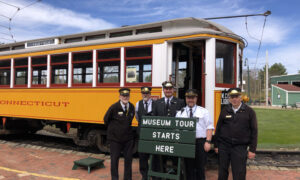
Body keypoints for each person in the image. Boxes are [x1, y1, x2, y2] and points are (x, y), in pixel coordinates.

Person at [214, 88, 258, 180]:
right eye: (232, 97)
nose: (234, 99)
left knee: (239, 173)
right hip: (224, 146)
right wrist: (216, 145)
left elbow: (254, 131)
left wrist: (252, 149)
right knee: (222, 172)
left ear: (241, 98)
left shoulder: (249, 112)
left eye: (236, 97)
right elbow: (218, 128)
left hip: (240, 147)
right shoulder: (225, 110)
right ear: (229, 99)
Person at [176, 89, 214, 180]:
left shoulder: (203, 111)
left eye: (193, 98)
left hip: (200, 142)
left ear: (196, 98)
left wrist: (208, 141)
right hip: (186, 143)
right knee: (188, 168)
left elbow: (209, 127)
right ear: (185, 99)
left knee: (200, 168)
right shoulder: (180, 113)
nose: (190, 100)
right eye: (188, 98)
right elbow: (177, 129)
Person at [152, 81, 185, 176]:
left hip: (175, 137)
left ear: (173, 90)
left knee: (175, 159)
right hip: (161, 137)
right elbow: (154, 118)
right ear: (163, 90)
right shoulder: (157, 102)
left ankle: (175, 175)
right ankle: (162, 175)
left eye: (170, 89)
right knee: (162, 159)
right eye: (166, 89)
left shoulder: (180, 102)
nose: (168, 91)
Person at [104, 88, 135, 180]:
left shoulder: (132, 107)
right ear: (120, 96)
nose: (125, 97)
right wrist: (114, 130)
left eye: (127, 96)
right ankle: (114, 178)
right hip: (115, 139)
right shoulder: (114, 107)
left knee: (128, 160)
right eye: (123, 95)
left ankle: (128, 178)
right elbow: (106, 119)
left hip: (128, 139)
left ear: (129, 96)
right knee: (114, 160)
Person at [135, 86, 153, 180]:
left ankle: (153, 174)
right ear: (141, 94)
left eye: (147, 93)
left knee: (153, 156)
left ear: (150, 94)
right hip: (141, 134)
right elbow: (137, 117)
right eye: (143, 93)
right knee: (142, 156)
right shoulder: (138, 104)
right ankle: (144, 175)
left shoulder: (155, 104)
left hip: (152, 134)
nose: (145, 95)